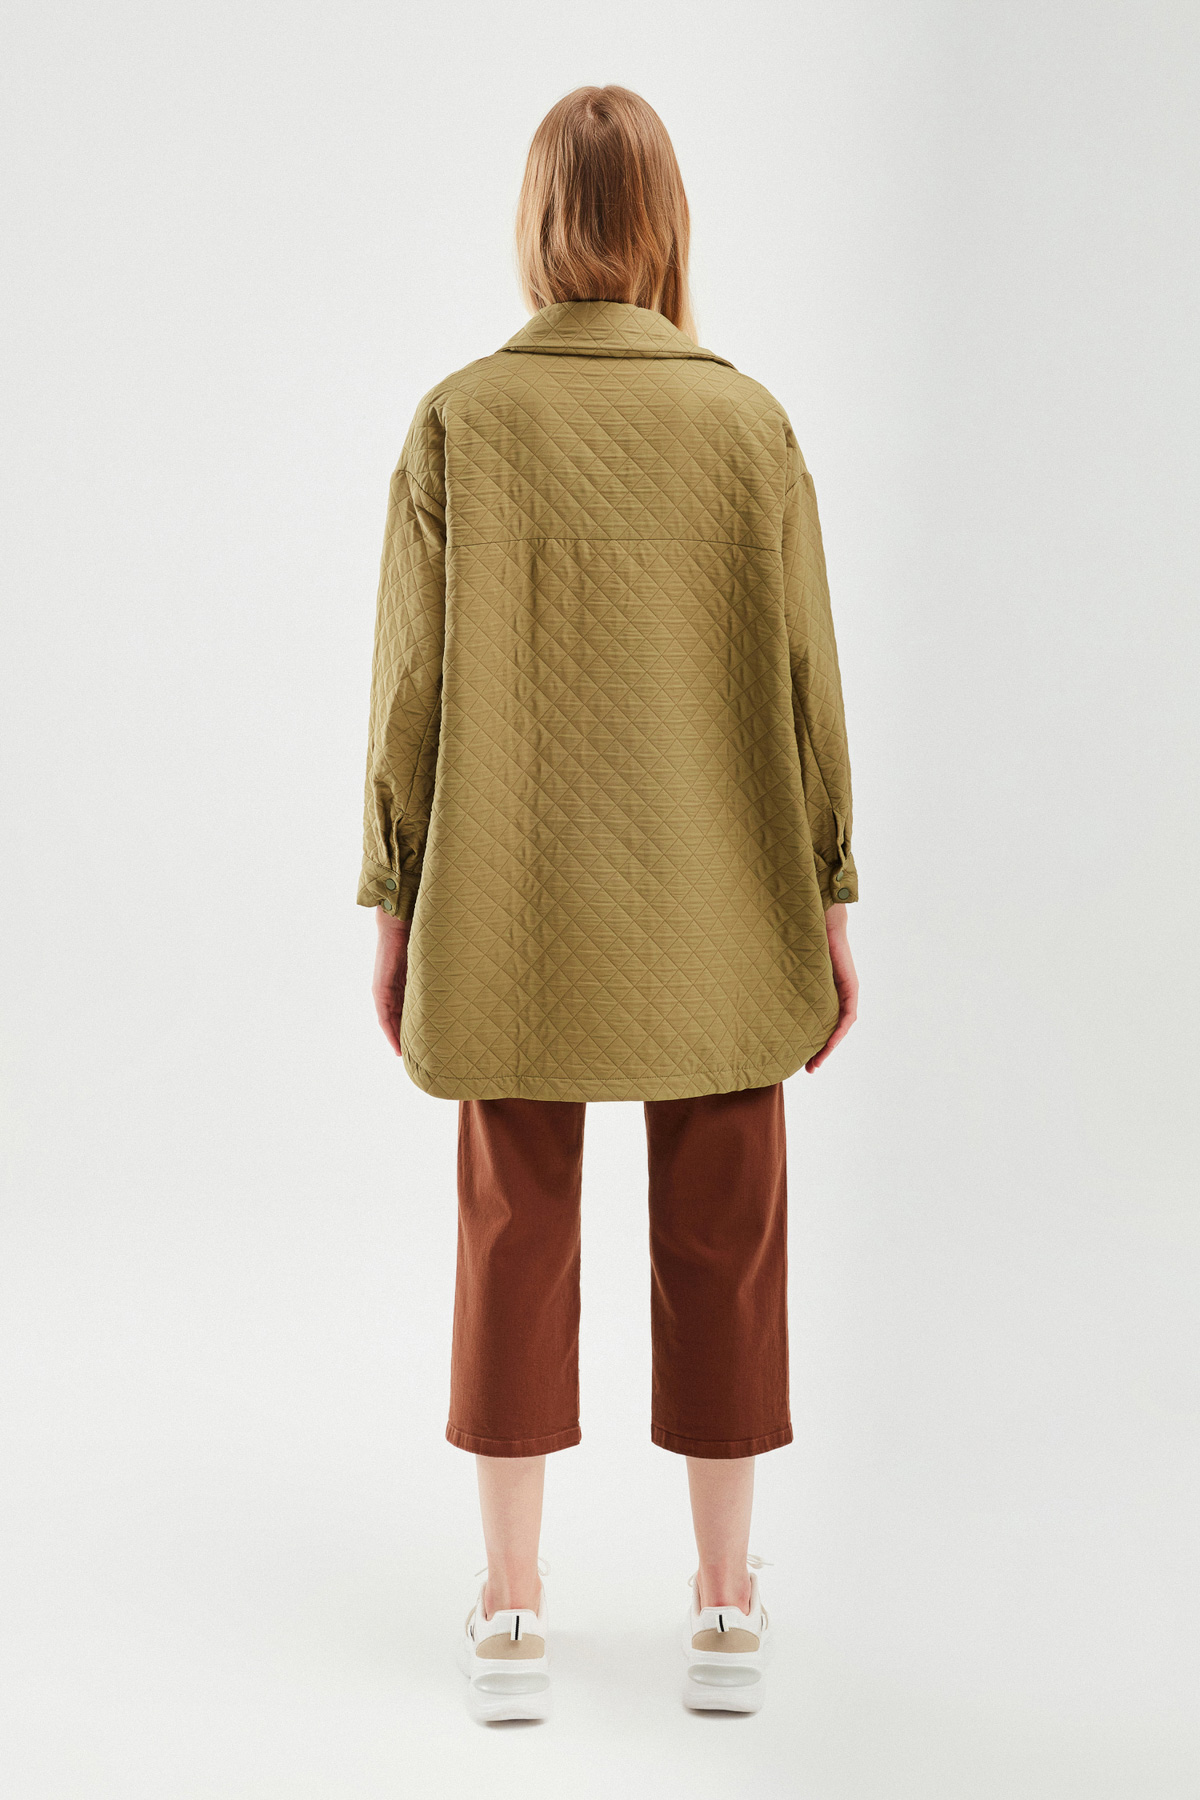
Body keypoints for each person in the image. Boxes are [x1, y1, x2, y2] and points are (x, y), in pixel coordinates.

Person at [358, 84, 858, 1723]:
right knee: (728, 1236)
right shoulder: (749, 425)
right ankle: (724, 1607)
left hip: (509, 898)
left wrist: (394, 897)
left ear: (536, 224)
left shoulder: (459, 422)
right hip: (723, 892)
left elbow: (408, 692)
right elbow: (810, 690)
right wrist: (831, 893)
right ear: (667, 226)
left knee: (512, 1234)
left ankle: (511, 1614)